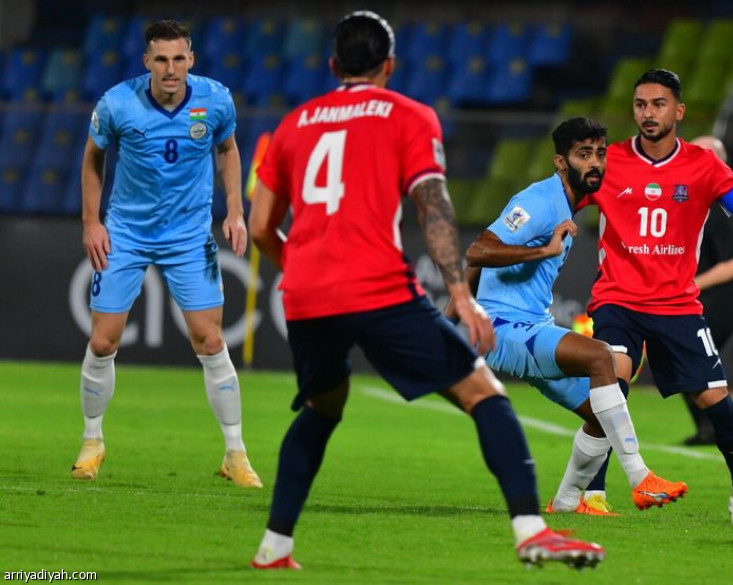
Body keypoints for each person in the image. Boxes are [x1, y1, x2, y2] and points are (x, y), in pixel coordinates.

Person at [247, 11, 603, 570]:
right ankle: (533, 532)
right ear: (390, 65)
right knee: (484, 394)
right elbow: (433, 209)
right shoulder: (409, 115)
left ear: (333, 64)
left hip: (307, 293)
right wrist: (461, 295)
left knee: (321, 406)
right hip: (376, 287)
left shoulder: (294, 124)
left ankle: (275, 546)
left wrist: (301, 267)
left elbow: (259, 226)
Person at [584, 69, 733, 489]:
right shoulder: (609, 162)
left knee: (715, 399)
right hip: (617, 299)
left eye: (658, 104)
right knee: (610, 384)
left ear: (679, 111)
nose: (648, 113)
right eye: (641, 105)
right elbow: (562, 198)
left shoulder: (704, 166)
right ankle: (594, 494)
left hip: (677, 305)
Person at [455, 117, 686, 517]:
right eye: (583, 154)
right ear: (560, 162)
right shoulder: (539, 201)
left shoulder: (566, 203)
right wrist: (541, 251)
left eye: (600, 153)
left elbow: (476, 263)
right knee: (602, 357)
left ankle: (565, 501)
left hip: (530, 326)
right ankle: (641, 478)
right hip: (504, 328)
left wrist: (452, 312)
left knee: (604, 414)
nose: (594, 162)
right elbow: (478, 250)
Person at [72, 20, 261, 488]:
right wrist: (92, 223)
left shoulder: (215, 99)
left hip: (188, 235)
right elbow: (93, 157)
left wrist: (236, 210)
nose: (171, 69)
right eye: (161, 59)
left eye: (179, 59)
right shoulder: (117, 103)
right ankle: (92, 442)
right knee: (103, 342)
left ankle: (236, 453)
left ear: (191, 60)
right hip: (126, 232)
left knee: (210, 341)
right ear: (147, 62)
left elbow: (228, 149)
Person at [680, 135, 733, 446]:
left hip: (728, 296)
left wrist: (691, 284)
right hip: (711, 296)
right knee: (685, 357)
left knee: (692, 356)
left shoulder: (717, 202)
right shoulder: (698, 199)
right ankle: (710, 428)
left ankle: (719, 427)